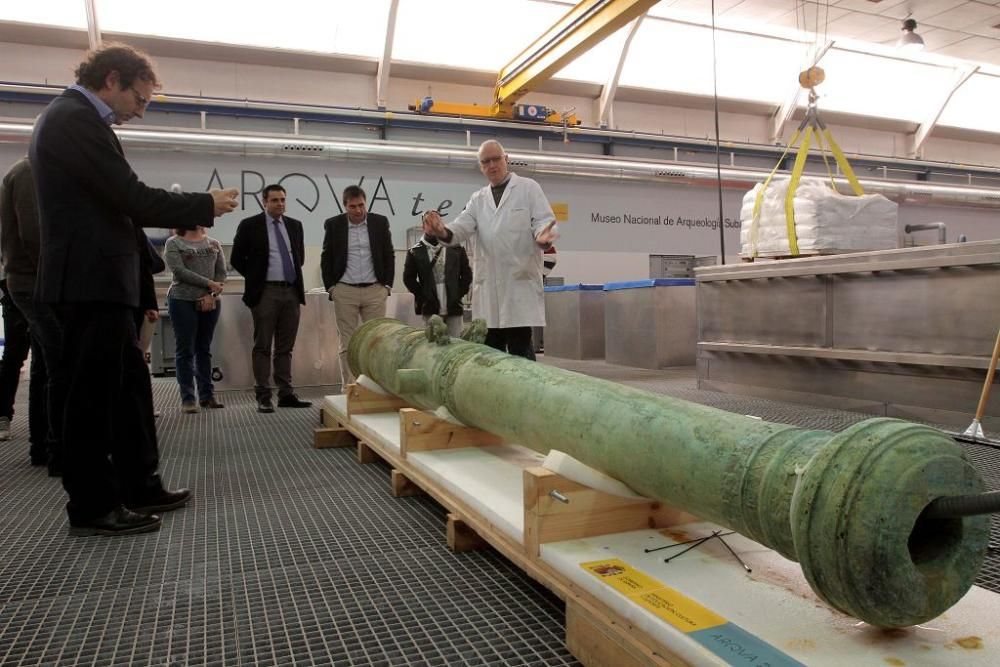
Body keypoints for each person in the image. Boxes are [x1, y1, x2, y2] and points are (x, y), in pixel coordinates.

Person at [29, 42, 239, 536]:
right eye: (139, 99)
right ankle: (92, 505)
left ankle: (138, 483)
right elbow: (132, 199)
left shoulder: (81, 121)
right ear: (112, 80)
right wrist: (200, 203)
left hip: (104, 281)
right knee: (91, 398)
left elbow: (115, 209)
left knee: (126, 393)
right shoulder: (72, 120)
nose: (141, 110)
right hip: (88, 283)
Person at [423, 140, 558, 360]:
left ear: (506, 159)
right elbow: (459, 229)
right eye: (486, 162)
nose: (492, 165)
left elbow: (544, 223)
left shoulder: (528, 188)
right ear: (481, 167)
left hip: (518, 286)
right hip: (488, 292)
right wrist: (440, 230)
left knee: (521, 352)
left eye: (496, 159)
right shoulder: (478, 199)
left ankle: (523, 395)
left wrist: (543, 238)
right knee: (490, 355)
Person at [0, 156, 65, 474]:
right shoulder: (29, 173)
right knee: (60, 366)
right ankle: (58, 451)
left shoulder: (30, 171)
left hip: (33, 282)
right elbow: (34, 234)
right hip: (36, 285)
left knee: (45, 367)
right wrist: (59, 282)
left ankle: (44, 446)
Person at [231, 184, 312, 413]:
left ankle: (286, 393)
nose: (280, 204)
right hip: (265, 292)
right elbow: (237, 258)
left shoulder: (295, 226)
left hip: (291, 291)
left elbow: (300, 258)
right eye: (275, 200)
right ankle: (263, 395)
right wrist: (256, 276)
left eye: (283, 200)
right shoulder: (250, 225)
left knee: (285, 347)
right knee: (263, 345)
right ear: (264, 202)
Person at [320, 185, 394, 388]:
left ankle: (375, 387)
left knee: (377, 341)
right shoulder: (334, 225)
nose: (358, 210)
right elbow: (326, 258)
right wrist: (332, 288)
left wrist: (386, 285)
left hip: (375, 290)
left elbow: (389, 253)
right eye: (353, 206)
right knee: (348, 342)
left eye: (361, 205)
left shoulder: (379, 222)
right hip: (345, 290)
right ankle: (349, 389)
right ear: (345, 206)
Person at [164, 226, 226, 413]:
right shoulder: (174, 243)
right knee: (185, 350)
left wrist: (211, 294)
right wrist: (208, 283)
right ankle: (188, 399)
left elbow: (221, 273)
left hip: (210, 301)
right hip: (182, 300)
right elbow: (180, 271)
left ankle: (207, 396)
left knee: (204, 349)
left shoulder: (214, 243)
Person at [403, 214, 472, 337]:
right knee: (433, 345)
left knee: (456, 345)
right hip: (430, 308)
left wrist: (458, 293)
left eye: (437, 222)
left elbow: (467, 274)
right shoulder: (415, 252)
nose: (434, 225)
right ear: (423, 226)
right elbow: (408, 278)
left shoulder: (456, 248)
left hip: (454, 307)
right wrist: (423, 296)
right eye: (429, 223)